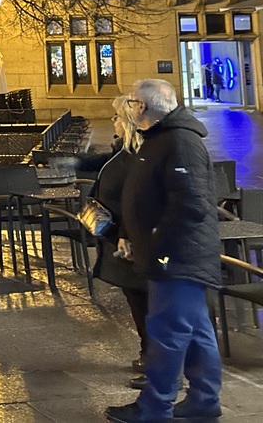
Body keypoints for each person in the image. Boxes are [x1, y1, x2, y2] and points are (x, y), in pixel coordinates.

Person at [105, 79, 223, 423]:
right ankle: (203, 400)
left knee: (166, 335)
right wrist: (130, 233)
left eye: (131, 102)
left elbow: (192, 205)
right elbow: (145, 195)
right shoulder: (159, 139)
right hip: (174, 255)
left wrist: (158, 245)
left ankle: (154, 407)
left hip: (179, 258)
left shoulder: (179, 142)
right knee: (198, 333)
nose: (129, 107)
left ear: (142, 107)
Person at [76, 95, 150, 378]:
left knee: (143, 299)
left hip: (129, 238)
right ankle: (149, 353)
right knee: (135, 297)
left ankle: (154, 359)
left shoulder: (138, 154)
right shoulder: (122, 149)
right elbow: (106, 164)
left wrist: (124, 233)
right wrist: (76, 162)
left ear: (129, 122)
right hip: (117, 235)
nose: (113, 122)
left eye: (117, 117)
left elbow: (139, 199)